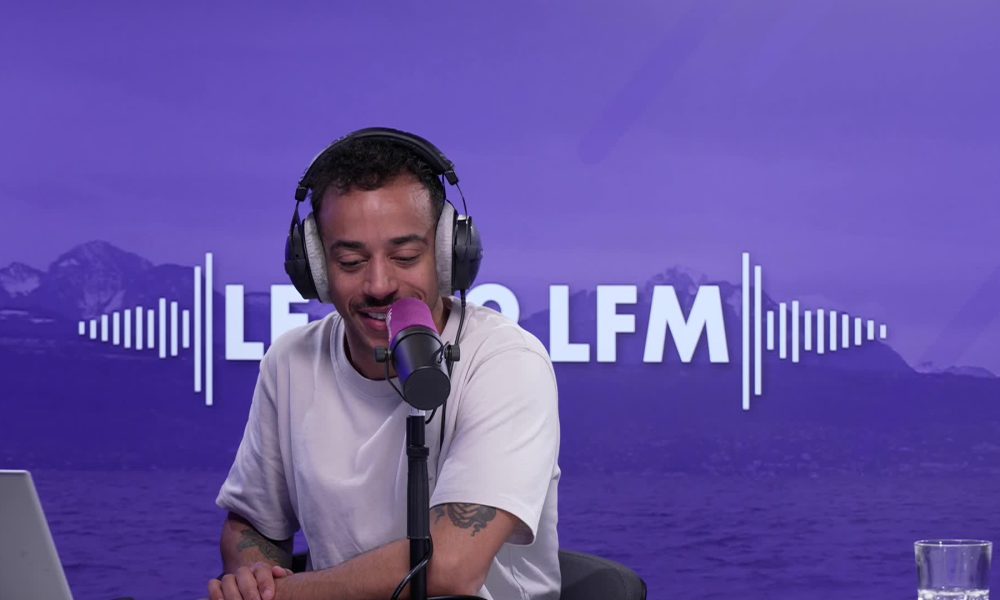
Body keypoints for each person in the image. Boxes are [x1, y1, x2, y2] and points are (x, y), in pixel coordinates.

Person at [209, 129, 561, 600]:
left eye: (405, 256)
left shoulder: (506, 362)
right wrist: (253, 574)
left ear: (447, 255)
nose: (379, 285)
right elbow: (253, 523)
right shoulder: (289, 361)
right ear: (316, 269)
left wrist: (285, 597)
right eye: (351, 261)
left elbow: (450, 567)